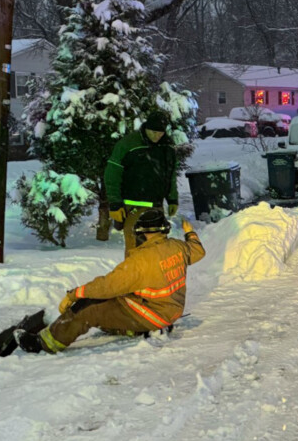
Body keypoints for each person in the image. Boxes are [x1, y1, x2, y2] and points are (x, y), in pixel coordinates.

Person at [14, 209, 205, 354]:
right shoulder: (178, 247)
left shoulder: (140, 261)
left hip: (152, 314)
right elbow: (198, 251)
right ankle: (131, 329)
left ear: (140, 233)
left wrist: (74, 294)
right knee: (117, 301)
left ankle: (44, 343)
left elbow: (107, 287)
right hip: (170, 310)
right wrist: (190, 233)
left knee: (89, 307)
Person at [105, 111, 179, 256]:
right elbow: (112, 174)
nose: (157, 136)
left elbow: (171, 175)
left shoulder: (167, 148)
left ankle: (154, 278)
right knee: (135, 250)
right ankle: (133, 278)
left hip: (156, 207)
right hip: (132, 207)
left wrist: (172, 198)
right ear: (146, 128)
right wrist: (115, 203)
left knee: (158, 250)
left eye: (161, 133)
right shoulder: (128, 144)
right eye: (153, 132)